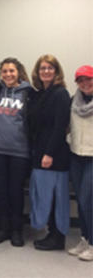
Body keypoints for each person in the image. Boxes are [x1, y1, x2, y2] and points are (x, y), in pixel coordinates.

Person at [0, 57, 32, 247]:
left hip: (19, 151)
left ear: (19, 72)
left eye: (11, 71)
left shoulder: (29, 93)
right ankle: (3, 228)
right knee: (1, 191)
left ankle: (16, 230)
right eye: (4, 71)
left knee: (16, 191)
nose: (8, 74)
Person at [28, 54, 71, 251]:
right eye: (42, 68)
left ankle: (57, 237)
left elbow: (60, 126)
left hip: (54, 154)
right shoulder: (39, 94)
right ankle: (50, 233)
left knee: (56, 197)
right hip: (40, 152)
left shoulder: (60, 93)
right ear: (37, 72)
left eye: (50, 68)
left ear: (56, 71)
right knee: (44, 196)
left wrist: (49, 154)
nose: (46, 71)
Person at [67, 65, 93, 261]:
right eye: (81, 80)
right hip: (76, 156)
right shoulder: (73, 102)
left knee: (87, 200)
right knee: (81, 201)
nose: (85, 83)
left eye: (89, 79)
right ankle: (85, 238)